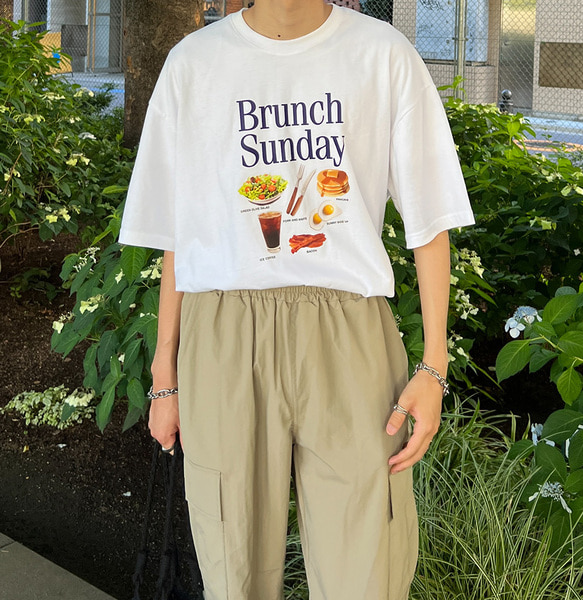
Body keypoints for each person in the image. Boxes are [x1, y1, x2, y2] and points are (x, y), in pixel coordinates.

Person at [118, 1, 475, 598]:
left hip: (348, 330)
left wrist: (434, 364)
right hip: (224, 331)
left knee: (366, 565)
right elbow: (178, 231)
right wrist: (165, 373)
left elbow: (430, 220)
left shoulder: (383, 54)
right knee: (234, 564)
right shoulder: (193, 65)